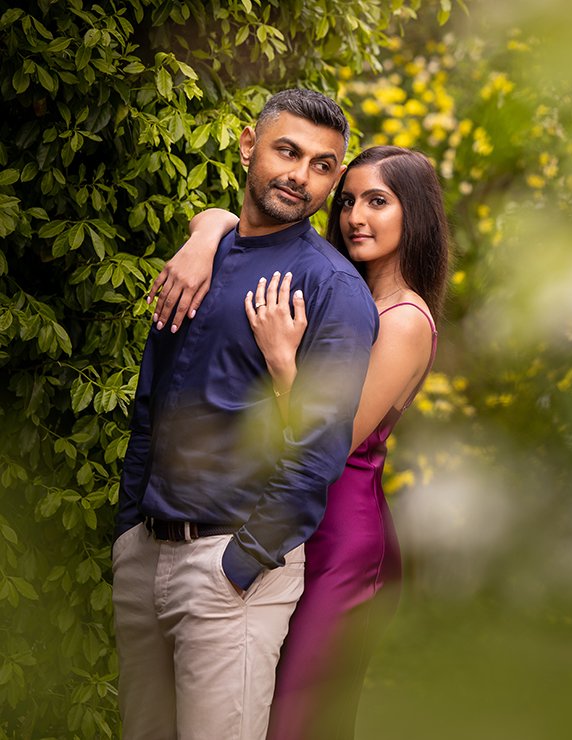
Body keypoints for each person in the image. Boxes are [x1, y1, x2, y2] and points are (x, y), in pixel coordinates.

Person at [153, 145, 450, 739]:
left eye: (377, 201)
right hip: (298, 520)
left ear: (413, 213)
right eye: (347, 202)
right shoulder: (344, 291)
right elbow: (232, 221)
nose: (355, 217)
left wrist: (284, 359)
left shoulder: (404, 320)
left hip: (343, 535)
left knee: (297, 720)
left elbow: (331, 438)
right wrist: (208, 228)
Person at [112, 89, 379, 740]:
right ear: (246, 145)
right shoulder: (205, 255)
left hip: (234, 571)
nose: (300, 175)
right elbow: (158, 395)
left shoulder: (333, 291)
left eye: (322, 165)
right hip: (147, 554)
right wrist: (128, 534)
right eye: (287, 151)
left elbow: (320, 446)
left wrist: (244, 561)